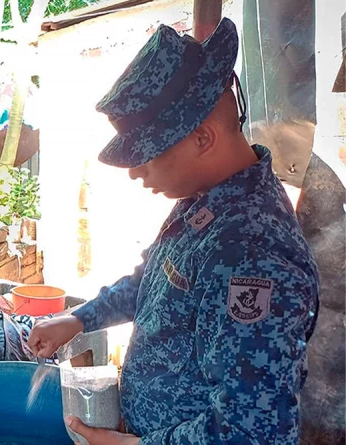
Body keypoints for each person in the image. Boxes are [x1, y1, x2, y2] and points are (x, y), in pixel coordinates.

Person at [28, 18, 319, 445]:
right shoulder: (206, 199)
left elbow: (255, 433)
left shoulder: (253, 254)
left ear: (202, 138)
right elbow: (156, 280)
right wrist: (79, 318)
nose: (136, 174)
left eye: (147, 156)